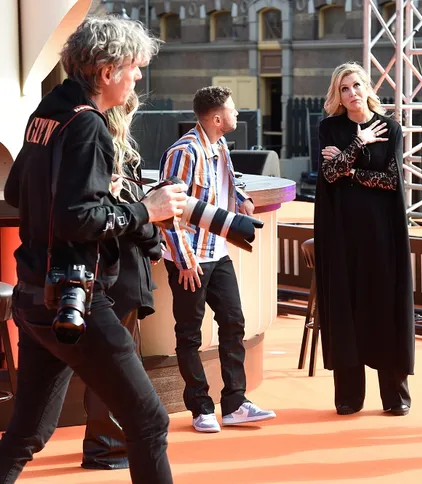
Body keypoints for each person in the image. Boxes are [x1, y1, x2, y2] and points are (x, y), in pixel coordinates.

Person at [0, 17, 185, 484]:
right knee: (148, 420)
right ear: (106, 72)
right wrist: (145, 210)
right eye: (134, 67)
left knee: (27, 432)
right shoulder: (88, 126)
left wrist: (100, 193)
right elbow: (78, 219)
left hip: (35, 295)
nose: (138, 77)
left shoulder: (48, 113)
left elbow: (18, 191)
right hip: (75, 295)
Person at [159, 86, 276, 433]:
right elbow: (168, 210)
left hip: (217, 251)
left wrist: (241, 198)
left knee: (233, 322)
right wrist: (184, 259)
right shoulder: (183, 152)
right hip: (189, 258)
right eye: (232, 109)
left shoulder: (220, 145)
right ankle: (200, 408)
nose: (237, 113)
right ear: (216, 118)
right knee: (190, 335)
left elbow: (226, 180)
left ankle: (235, 403)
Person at [314, 61, 415, 417]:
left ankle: (395, 395)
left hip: (381, 232)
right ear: (337, 95)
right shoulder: (329, 128)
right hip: (342, 233)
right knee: (346, 307)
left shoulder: (390, 127)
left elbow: (390, 181)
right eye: (344, 88)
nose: (352, 93)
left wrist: (350, 168)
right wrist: (359, 143)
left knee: (384, 306)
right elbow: (329, 174)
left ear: (367, 87)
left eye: (356, 85)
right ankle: (349, 396)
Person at [81, 91, 165, 470]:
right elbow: (137, 222)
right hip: (118, 275)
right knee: (114, 366)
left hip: (117, 273)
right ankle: (106, 446)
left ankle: (107, 443)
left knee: (112, 364)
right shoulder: (113, 162)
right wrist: (152, 233)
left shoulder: (113, 161)